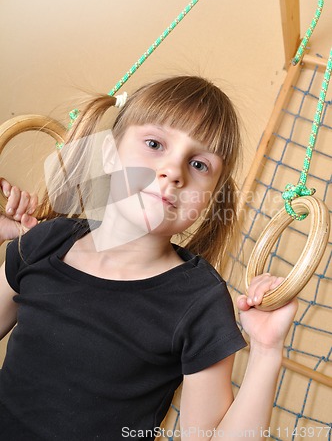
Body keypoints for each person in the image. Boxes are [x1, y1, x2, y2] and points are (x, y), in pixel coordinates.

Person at [0, 76, 297, 440]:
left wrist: (267, 352)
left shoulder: (199, 300)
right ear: (109, 154)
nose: (173, 172)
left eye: (200, 165)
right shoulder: (45, 242)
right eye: (154, 143)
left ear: (210, 198)